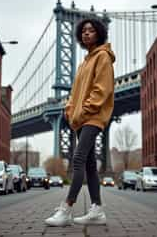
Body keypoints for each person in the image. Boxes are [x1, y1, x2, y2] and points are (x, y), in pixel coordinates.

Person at [45, 17, 115, 226]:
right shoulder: (84, 63)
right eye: (83, 30)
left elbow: (101, 90)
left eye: (91, 30)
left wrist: (83, 112)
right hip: (80, 119)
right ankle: (97, 210)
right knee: (91, 165)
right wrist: (69, 110)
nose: (86, 33)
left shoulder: (103, 57)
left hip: (92, 118)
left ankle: (66, 209)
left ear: (99, 34)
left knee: (78, 159)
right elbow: (74, 94)